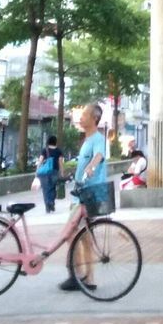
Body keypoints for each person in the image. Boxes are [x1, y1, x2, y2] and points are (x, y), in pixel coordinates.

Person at [59, 103, 106, 292]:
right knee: (79, 235)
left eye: (85, 114)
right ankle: (84, 276)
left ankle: (79, 276)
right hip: (82, 195)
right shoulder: (87, 140)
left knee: (76, 234)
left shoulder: (98, 139)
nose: (81, 117)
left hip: (90, 194)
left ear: (94, 118)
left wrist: (91, 168)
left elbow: (99, 156)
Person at [37, 134, 64, 214]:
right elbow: (60, 162)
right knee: (53, 188)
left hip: (44, 173)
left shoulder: (44, 150)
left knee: (45, 189)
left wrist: (37, 170)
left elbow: (40, 160)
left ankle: (47, 206)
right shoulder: (59, 151)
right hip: (55, 171)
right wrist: (62, 171)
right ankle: (51, 202)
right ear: (55, 141)